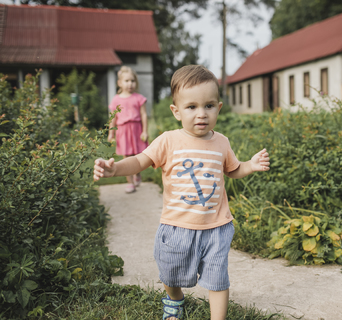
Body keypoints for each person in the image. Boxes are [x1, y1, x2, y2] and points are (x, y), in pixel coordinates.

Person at [93, 65, 270, 320]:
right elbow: (141, 161)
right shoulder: (168, 141)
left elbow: (233, 169)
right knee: (169, 271)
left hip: (216, 227)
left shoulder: (222, 142)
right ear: (176, 111)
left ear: (218, 108)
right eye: (191, 107)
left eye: (209, 106)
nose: (201, 114)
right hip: (177, 226)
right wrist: (116, 168)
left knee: (218, 277)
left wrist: (250, 165)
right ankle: (174, 300)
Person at [108, 66, 148, 193]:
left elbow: (144, 115)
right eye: (127, 81)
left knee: (138, 156)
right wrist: (111, 133)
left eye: (132, 81)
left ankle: (137, 174)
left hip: (136, 129)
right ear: (119, 83)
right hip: (123, 131)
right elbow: (113, 118)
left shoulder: (139, 98)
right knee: (126, 158)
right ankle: (130, 183)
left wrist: (145, 131)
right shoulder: (116, 100)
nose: (130, 83)